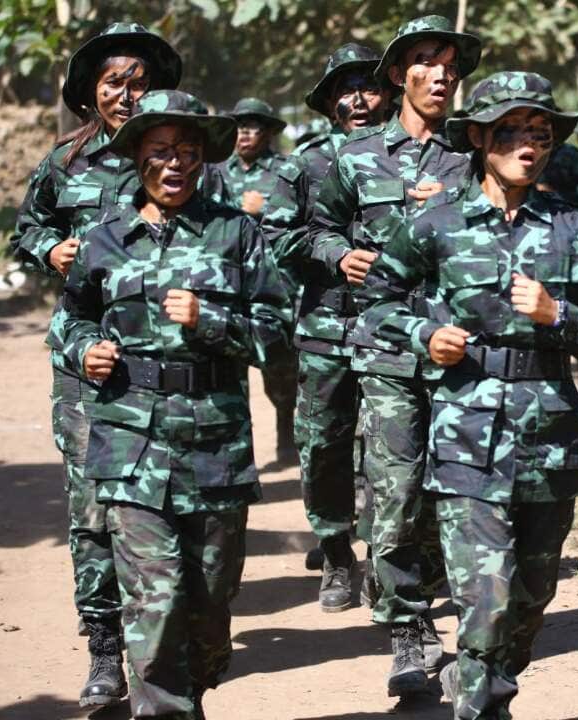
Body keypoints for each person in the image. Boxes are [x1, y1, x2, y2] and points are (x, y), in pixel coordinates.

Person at [357, 71, 578, 720]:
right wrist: (426, 336)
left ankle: (483, 677)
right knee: (488, 595)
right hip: (465, 439)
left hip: (549, 442)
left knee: (532, 596)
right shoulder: (439, 222)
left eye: (540, 133)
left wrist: (557, 316)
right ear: (480, 137)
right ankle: (484, 704)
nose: (527, 145)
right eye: (510, 131)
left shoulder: (575, 226)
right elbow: (376, 302)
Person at [60, 89, 293, 719]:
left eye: (188, 151)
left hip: (214, 446)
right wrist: (84, 351)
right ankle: (165, 708)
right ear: (137, 155)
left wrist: (212, 321)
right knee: (155, 599)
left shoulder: (235, 232)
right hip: (129, 443)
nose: (175, 163)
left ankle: (192, 682)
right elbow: (68, 320)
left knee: (210, 607)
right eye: (161, 150)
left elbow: (278, 331)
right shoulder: (103, 239)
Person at [8, 22, 181, 708]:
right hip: (87, 361)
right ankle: (105, 649)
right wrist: (49, 251)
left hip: (171, 361)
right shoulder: (65, 164)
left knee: (172, 501)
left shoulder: (180, 155)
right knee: (92, 509)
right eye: (115, 82)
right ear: (91, 92)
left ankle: (165, 642)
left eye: (140, 81)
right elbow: (28, 229)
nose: (128, 94)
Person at [309, 15, 483, 696]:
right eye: (425, 62)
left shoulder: (472, 153)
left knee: (462, 486)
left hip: (461, 348)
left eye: (449, 64)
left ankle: (467, 607)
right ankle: (409, 632)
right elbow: (308, 230)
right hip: (381, 344)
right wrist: (337, 253)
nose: (441, 74)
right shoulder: (349, 157)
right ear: (396, 77)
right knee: (397, 487)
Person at [286, 43, 393, 599]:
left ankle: (383, 557)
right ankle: (334, 551)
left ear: (389, 93)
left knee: (389, 445)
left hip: (395, 328)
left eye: (368, 86)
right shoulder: (305, 164)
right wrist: (334, 255)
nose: (357, 99)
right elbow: (280, 237)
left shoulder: (415, 155)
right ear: (330, 104)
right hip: (326, 327)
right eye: (344, 90)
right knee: (324, 443)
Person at [209, 97, 300, 464]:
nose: (245, 134)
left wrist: (267, 210)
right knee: (229, 373)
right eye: (240, 127)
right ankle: (236, 451)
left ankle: (285, 438)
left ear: (267, 133)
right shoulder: (215, 171)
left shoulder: (285, 170)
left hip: (273, 281)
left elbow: (303, 216)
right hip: (229, 283)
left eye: (254, 127)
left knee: (279, 371)